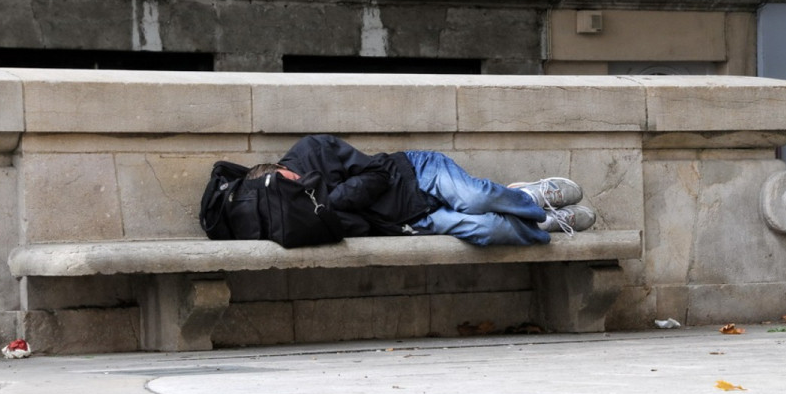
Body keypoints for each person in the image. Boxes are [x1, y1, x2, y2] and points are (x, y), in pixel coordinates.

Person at [246, 134, 596, 246]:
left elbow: (376, 174)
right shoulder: (304, 213)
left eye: (288, 179)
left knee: (475, 199)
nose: (295, 185)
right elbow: (361, 228)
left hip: (415, 173)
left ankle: (531, 196)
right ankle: (544, 223)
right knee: (489, 229)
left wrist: (333, 201)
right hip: (412, 219)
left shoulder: (311, 149)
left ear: (279, 168)